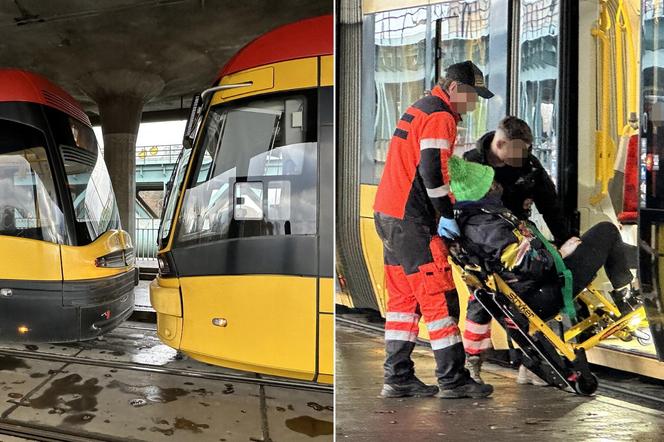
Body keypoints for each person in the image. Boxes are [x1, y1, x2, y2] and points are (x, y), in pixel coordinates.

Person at [448, 156, 638, 383]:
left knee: (595, 242)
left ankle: (636, 274)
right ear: (480, 192)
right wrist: (561, 253)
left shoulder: (473, 223)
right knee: (606, 230)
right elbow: (530, 267)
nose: (495, 185)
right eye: (490, 183)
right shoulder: (489, 226)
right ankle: (626, 295)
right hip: (545, 291)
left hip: (529, 292)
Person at [373, 60, 495, 399]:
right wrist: (446, 214)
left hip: (388, 216)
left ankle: (397, 377)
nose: (473, 105)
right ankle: (453, 379)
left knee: (403, 301)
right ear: (455, 88)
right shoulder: (440, 116)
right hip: (413, 221)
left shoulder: (419, 107)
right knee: (438, 298)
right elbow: (432, 172)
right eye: (472, 96)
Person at [461, 116, 575, 384]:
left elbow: (550, 205)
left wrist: (566, 238)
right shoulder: (472, 164)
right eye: (520, 151)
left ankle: (531, 363)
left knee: (526, 301)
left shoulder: (529, 166)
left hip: (519, 242)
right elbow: (462, 212)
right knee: (483, 300)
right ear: (500, 144)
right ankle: (472, 364)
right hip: (483, 244)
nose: (526, 157)